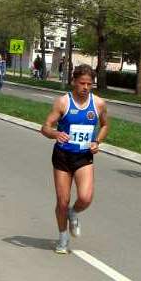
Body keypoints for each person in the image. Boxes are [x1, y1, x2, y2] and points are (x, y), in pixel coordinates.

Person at [41, 64, 108, 255]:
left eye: (89, 84)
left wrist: (97, 141)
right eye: (82, 83)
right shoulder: (63, 102)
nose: (86, 87)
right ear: (74, 82)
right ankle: (63, 238)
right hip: (63, 156)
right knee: (62, 201)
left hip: (84, 156)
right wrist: (56, 134)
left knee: (85, 197)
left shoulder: (98, 104)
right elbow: (45, 127)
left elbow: (104, 125)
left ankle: (74, 212)